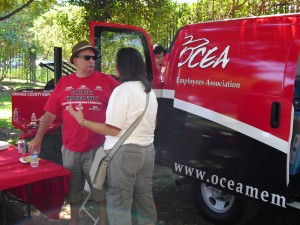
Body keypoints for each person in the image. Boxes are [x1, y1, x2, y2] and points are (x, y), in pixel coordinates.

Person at [29, 40, 119, 225]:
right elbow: (49, 114)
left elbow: (122, 108)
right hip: (70, 148)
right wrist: (37, 139)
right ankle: (74, 221)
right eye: (87, 57)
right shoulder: (64, 83)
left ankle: (103, 222)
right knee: (72, 190)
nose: (92, 61)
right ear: (75, 60)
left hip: (97, 147)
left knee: (99, 189)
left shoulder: (108, 81)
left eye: (94, 57)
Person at [68, 47, 158, 225]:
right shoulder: (149, 92)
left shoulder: (122, 91)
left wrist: (82, 121)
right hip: (147, 152)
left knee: (119, 204)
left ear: (121, 67)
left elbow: (112, 130)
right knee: (145, 200)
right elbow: (153, 124)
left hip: (123, 156)